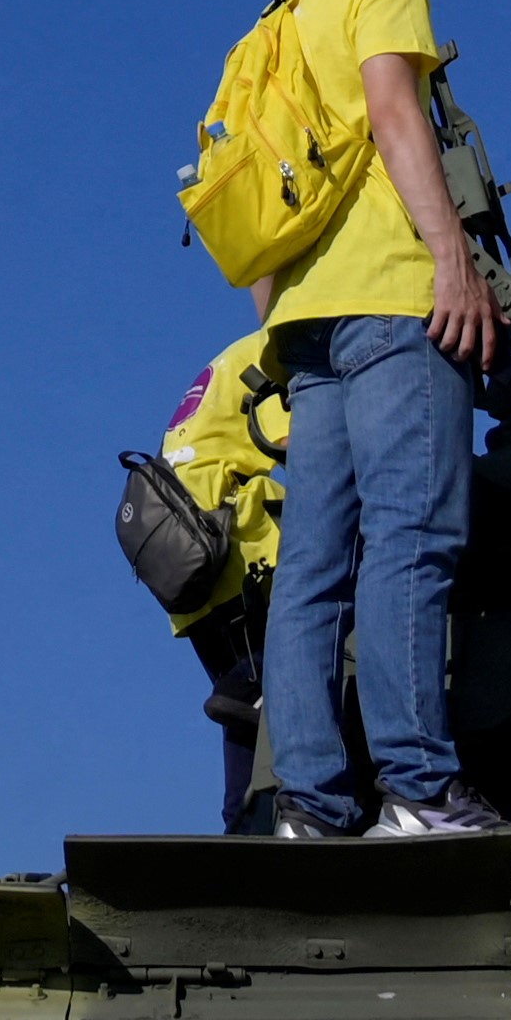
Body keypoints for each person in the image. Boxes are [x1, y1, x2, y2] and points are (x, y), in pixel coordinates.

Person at [249, 0, 507, 844]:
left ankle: (311, 801)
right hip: (395, 300)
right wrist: (451, 257)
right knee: (414, 535)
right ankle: (419, 788)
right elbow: (397, 112)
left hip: (304, 317)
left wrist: (274, 322)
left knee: (311, 562)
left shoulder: (270, 23)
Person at [150, 331, 299, 833]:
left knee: (247, 713)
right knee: (276, 672)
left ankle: (240, 826)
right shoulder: (282, 347)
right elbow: (295, 440)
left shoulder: (230, 357)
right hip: (237, 553)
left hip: (186, 563)